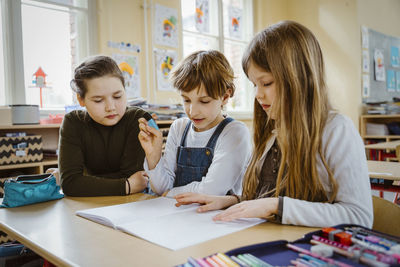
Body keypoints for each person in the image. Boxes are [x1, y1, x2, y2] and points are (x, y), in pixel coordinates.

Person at [174, 21, 373, 228]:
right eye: (254, 84)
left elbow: (359, 216)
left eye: (267, 83)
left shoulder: (336, 130)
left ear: (298, 77)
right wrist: (231, 201)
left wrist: (278, 207)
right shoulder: (271, 130)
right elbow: (263, 198)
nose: (258, 95)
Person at [138, 50, 252, 197]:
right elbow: (162, 188)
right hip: (180, 215)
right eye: (186, 100)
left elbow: (211, 190)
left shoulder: (235, 132)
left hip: (218, 216)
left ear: (225, 97)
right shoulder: (179, 127)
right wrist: (153, 156)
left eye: (204, 101)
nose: (193, 111)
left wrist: (170, 194)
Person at [58, 55, 149, 196]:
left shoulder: (137, 119)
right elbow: (70, 184)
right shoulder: (73, 122)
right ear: (81, 99)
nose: (110, 107)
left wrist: (83, 181)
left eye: (118, 96)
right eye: (98, 100)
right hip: (89, 206)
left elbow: (134, 175)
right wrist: (126, 185)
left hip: (133, 203)